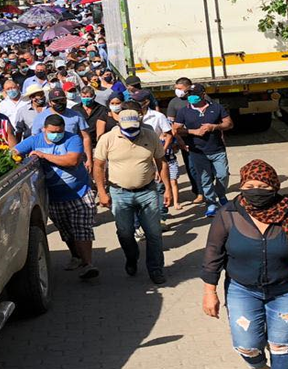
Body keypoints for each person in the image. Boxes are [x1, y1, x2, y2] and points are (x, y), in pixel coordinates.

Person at [202, 159, 288, 369]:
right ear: (241, 187)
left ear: (275, 187)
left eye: (263, 187)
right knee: (246, 345)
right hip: (242, 290)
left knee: (282, 345)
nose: (255, 192)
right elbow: (213, 254)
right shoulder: (228, 213)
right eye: (249, 187)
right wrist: (210, 291)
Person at [14, 114, 99, 279]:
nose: (56, 135)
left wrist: (44, 156)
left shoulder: (72, 139)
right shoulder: (35, 140)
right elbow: (16, 150)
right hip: (54, 197)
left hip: (79, 193)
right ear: (44, 129)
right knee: (66, 231)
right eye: (52, 132)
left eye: (59, 131)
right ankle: (76, 256)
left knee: (82, 229)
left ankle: (88, 264)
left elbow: (72, 160)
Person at [94, 109, 172, 284]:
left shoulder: (150, 136)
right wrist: (101, 191)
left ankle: (156, 269)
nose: (131, 132)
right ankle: (131, 257)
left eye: (134, 128)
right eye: (127, 128)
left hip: (148, 191)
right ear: (118, 124)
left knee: (154, 233)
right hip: (119, 193)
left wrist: (167, 188)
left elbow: (161, 162)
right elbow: (98, 166)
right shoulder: (107, 139)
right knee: (125, 233)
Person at [173, 83, 234, 217]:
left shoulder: (216, 108)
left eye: (194, 94)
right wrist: (193, 132)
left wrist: (214, 127)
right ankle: (211, 202)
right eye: (189, 94)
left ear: (203, 94)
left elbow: (229, 123)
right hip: (197, 151)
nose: (191, 97)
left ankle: (221, 195)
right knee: (205, 178)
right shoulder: (184, 111)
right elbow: (176, 129)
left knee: (223, 175)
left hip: (217, 149)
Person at [132, 90, 174, 229]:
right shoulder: (130, 116)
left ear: (146, 102)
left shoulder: (157, 116)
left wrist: (162, 150)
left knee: (159, 187)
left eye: (139, 101)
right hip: (139, 158)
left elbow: (168, 134)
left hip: (155, 155)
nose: (136, 103)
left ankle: (161, 217)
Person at [31, 88, 94, 174]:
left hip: (72, 158)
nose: (59, 103)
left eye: (62, 100)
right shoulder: (40, 117)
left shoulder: (76, 115)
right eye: (55, 101)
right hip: (49, 161)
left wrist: (89, 159)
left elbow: (86, 137)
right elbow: (35, 139)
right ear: (50, 103)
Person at [167, 77, 203, 204]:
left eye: (180, 89)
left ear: (188, 88)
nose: (177, 91)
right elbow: (171, 125)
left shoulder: (201, 99)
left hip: (203, 139)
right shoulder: (174, 103)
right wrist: (178, 141)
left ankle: (208, 188)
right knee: (192, 167)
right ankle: (199, 191)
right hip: (186, 140)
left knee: (205, 166)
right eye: (176, 89)